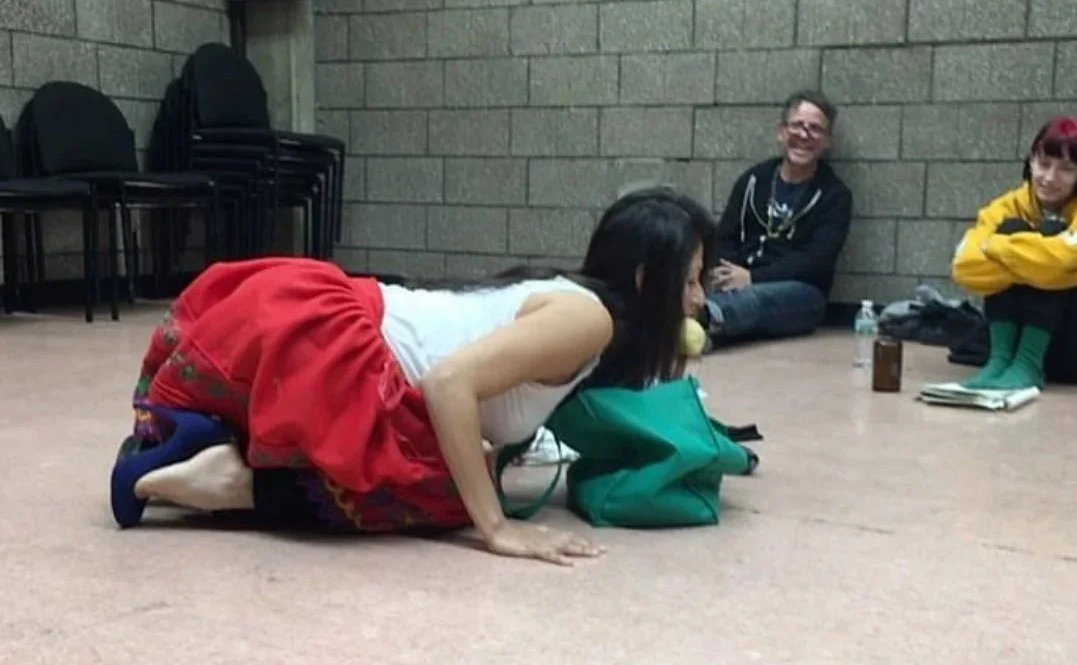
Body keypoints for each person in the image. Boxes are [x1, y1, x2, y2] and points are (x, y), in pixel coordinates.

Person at [110, 187, 716, 567]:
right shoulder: (588, 320)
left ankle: (204, 446)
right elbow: (449, 383)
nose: (697, 301)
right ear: (644, 283)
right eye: (690, 281)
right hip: (328, 341)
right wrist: (496, 528)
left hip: (320, 321)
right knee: (442, 494)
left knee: (459, 463)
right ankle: (232, 482)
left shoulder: (578, 306)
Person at [951, 116, 1077, 389]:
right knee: (1012, 228)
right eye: (1043, 164)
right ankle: (1000, 360)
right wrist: (1037, 261)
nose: (1050, 178)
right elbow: (964, 267)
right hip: (1028, 335)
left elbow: (1060, 260)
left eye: (1066, 169)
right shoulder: (1010, 205)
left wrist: (997, 248)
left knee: (1050, 232)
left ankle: (1027, 364)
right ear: (1031, 161)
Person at [699, 89, 852, 348]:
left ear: (826, 141)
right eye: (797, 126)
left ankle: (703, 319)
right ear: (781, 131)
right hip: (736, 283)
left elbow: (817, 261)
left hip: (800, 295)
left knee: (758, 300)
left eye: (815, 129)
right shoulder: (753, 180)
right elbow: (725, 235)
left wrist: (752, 279)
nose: (804, 135)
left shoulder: (835, 195)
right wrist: (727, 275)